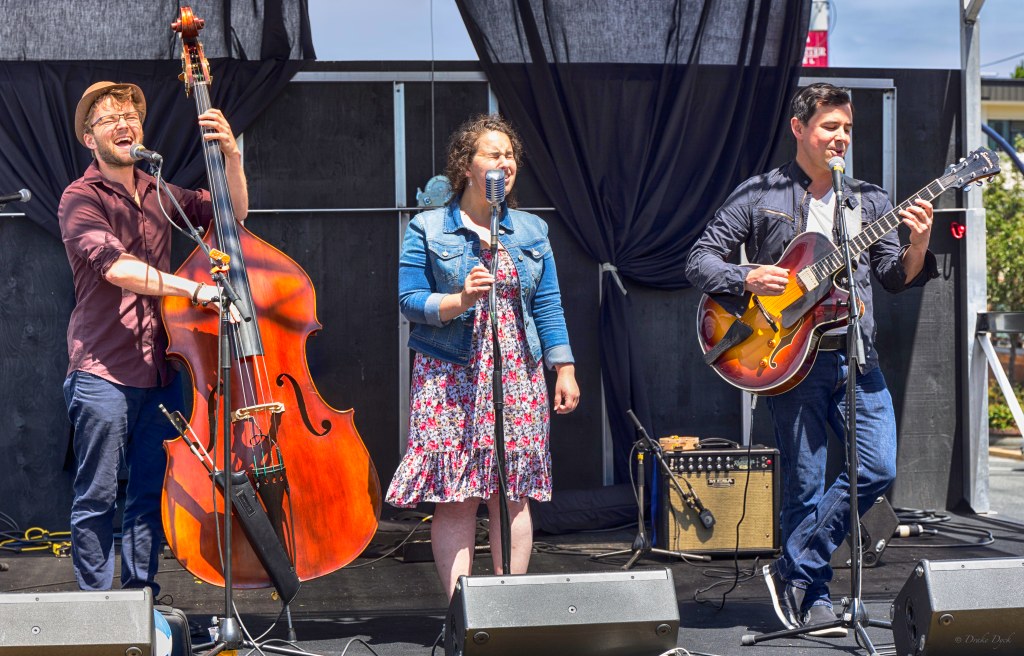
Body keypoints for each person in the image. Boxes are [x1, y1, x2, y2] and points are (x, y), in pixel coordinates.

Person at [685, 83, 937, 635]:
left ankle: (793, 565)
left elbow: (894, 278)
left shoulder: (869, 200)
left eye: (847, 128)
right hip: (789, 357)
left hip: (857, 355)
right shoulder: (759, 195)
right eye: (830, 126)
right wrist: (747, 274)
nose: (841, 137)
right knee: (803, 482)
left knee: (877, 467)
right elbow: (698, 259)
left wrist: (917, 244)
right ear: (800, 129)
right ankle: (810, 594)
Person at [58, 81, 247, 595]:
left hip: (161, 371)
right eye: (108, 119)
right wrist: (195, 290)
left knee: (148, 493)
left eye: (130, 116)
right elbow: (117, 267)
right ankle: (98, 611)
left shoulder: (162, 192)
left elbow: (232, 215)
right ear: (89, 139)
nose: (123, 124)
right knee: (97, 496)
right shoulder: (79, 197)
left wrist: (231, 157)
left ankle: (142, 599)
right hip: (102, 370)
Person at [386, 114, 580, 600]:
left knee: (512, 493)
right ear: (466, 166)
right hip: (451, 376)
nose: (504, 163)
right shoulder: (428, 227)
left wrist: (565, 367)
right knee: (458, 496)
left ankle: (508, 607)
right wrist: (459, 302)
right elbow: (409, 300)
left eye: (510, 155)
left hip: (517, 373)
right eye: (493, 155)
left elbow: (548, 303)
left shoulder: (532, 231)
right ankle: (464, 614)